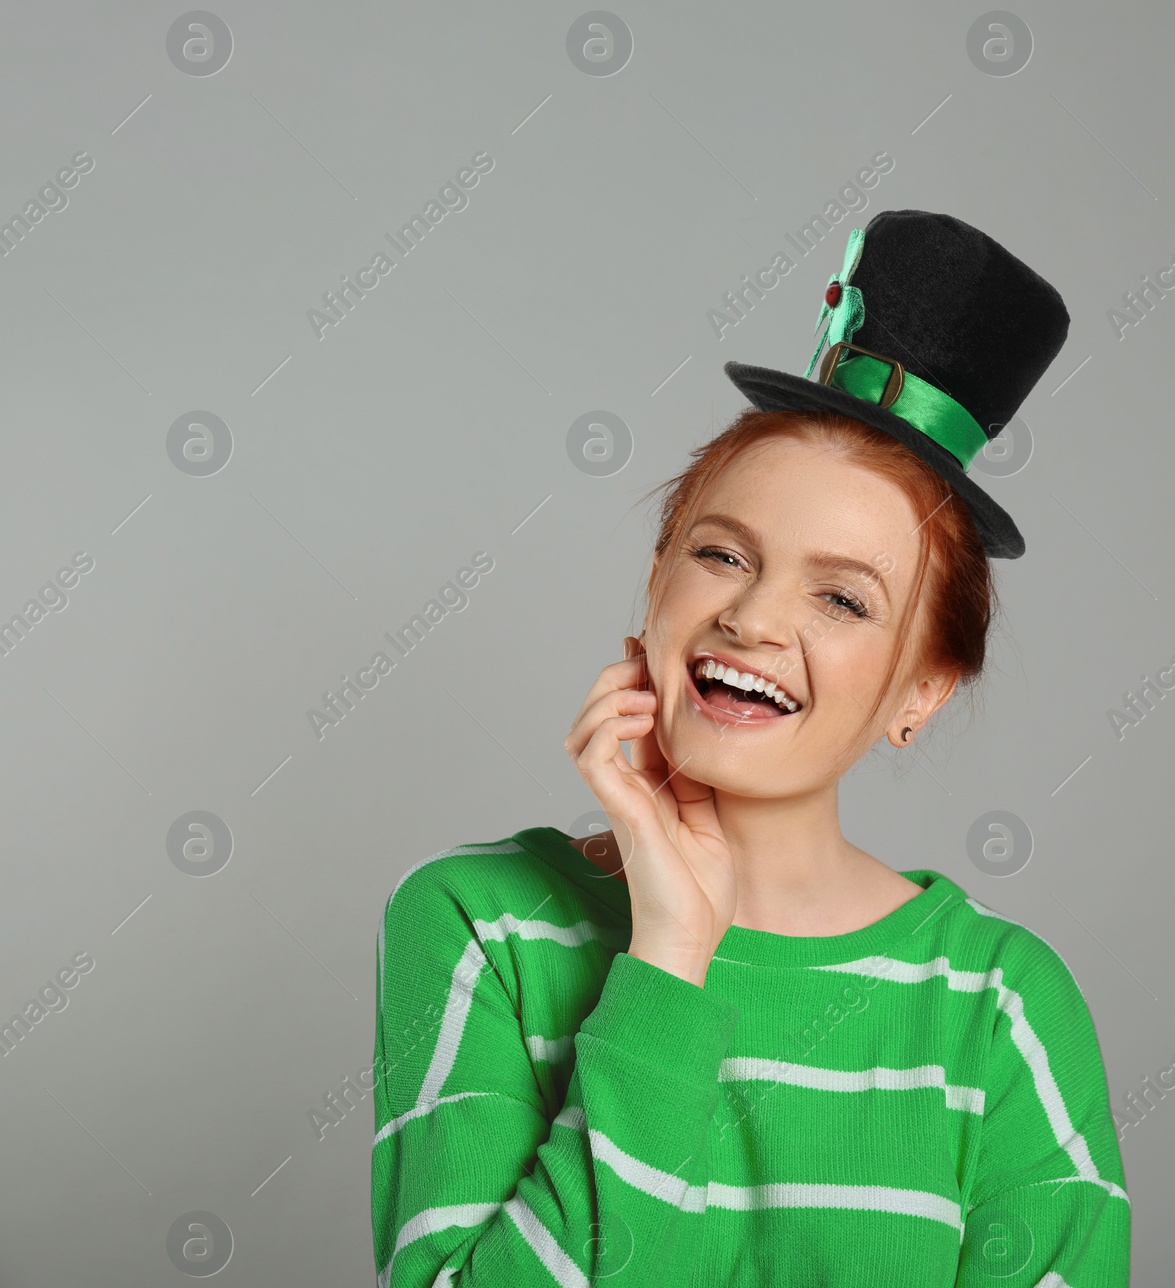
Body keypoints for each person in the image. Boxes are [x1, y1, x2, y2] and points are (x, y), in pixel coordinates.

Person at [371, 210, 1130, 1286]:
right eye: (722, 553)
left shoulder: (998, 1005)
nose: (755, 620)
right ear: (656, 579)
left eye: (840, 598)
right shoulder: (478, 923)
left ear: (921, 689)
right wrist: (668, 961)